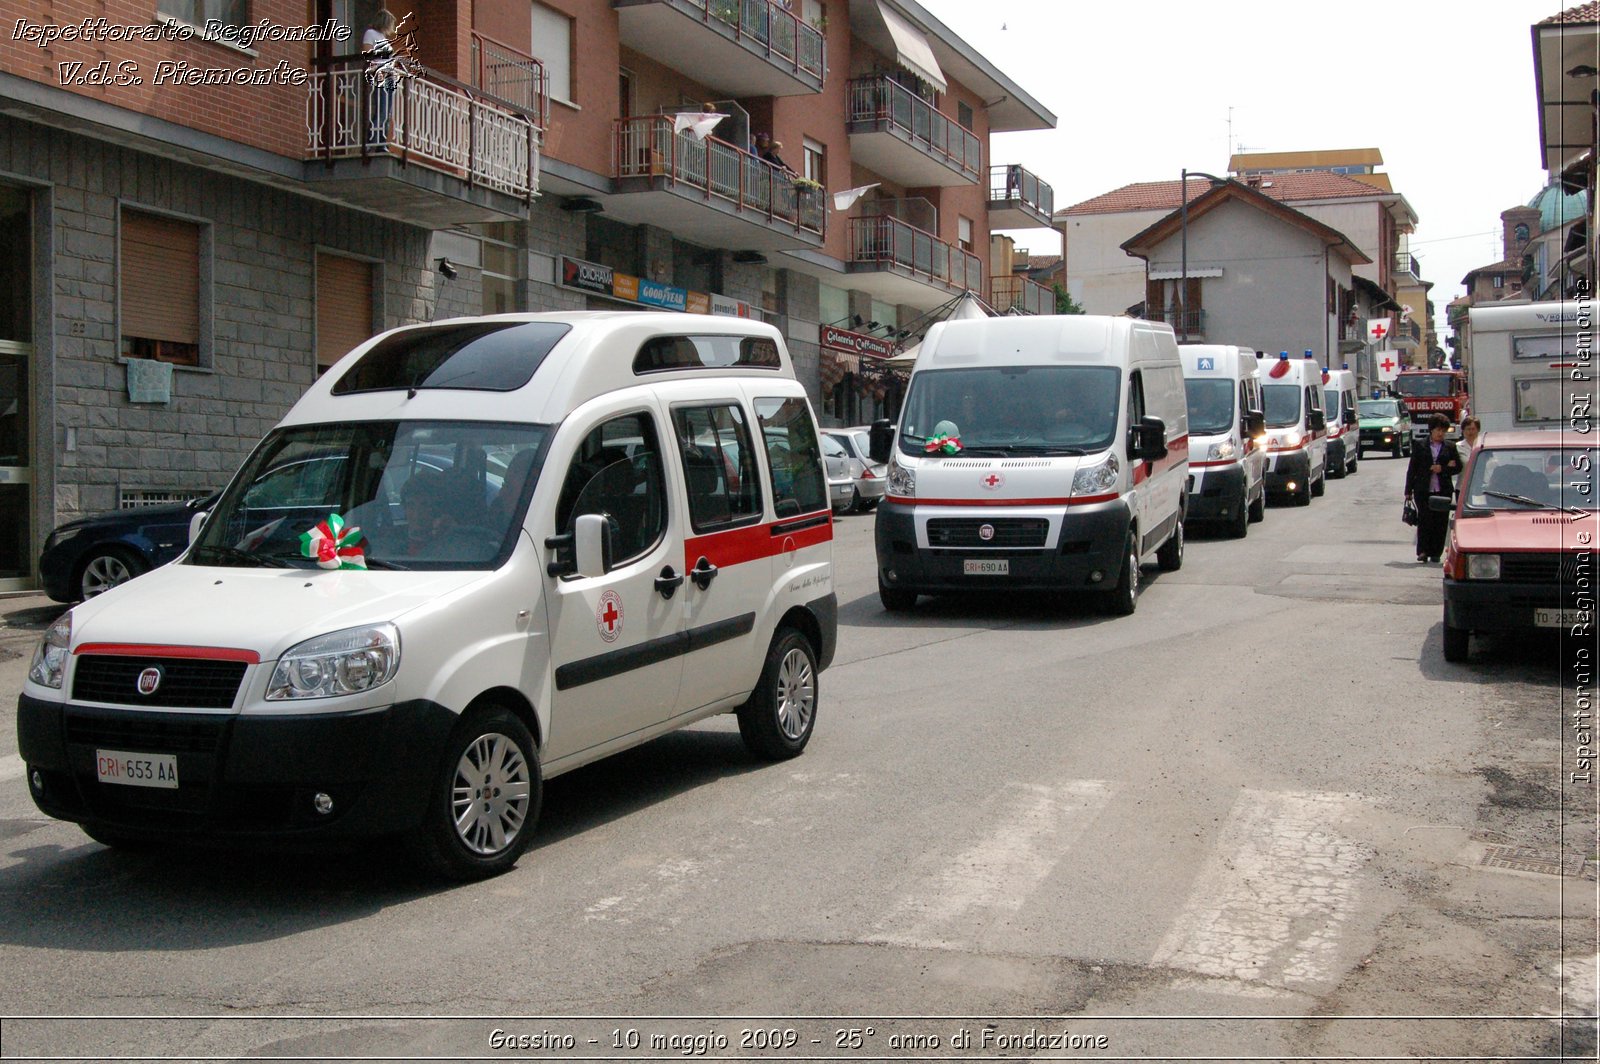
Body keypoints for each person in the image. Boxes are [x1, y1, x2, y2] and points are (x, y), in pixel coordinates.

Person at [1405, 413, 1461, 564]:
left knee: (1440, 522)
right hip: (1423, 489)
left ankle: (1436, 552)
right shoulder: (1420, 445)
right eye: (1438, 430)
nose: (1440, 434)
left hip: (1443, 490)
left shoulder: (1450, 447)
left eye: (1443, 431)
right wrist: (1408, 491)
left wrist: (1442, 468)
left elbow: (1457, 467)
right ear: (1431, 430)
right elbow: (1413, 469)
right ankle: (1423, 551)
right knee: (1424, 521)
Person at [363, 9, 399, 148]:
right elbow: (367, 52)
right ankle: (372, 140)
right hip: (379, 74)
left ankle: (381, 140)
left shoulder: (383, 37)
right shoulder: (371, 33)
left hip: (388, 75)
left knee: (387, 111)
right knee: (382, 109)